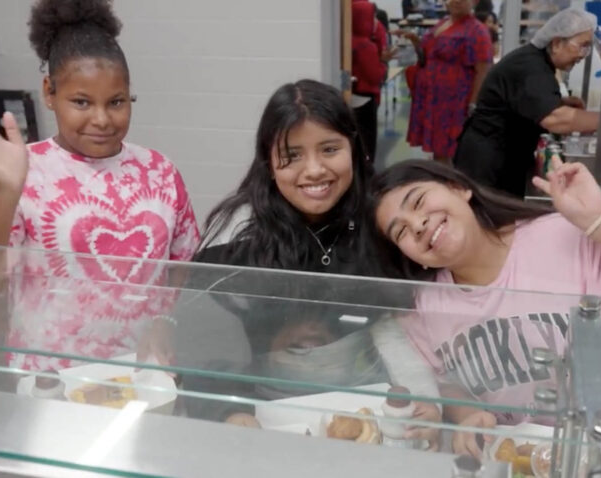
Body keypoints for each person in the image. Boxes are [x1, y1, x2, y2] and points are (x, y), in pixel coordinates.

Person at [370, 159, 601, 455]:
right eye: (400, 232)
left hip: (593, 453)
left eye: (418, 202)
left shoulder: (562, 236)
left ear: (459, 188)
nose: (418, 225)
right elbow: (449, 384)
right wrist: (468, 416)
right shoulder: (422, 303)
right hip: (509, 457)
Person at [165, 80, 442, 445]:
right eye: (292, 155)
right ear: (268, 161)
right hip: (267, 411)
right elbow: (209, 341)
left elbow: (415, 321)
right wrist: (231, 413)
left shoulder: (382, 220)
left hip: (376, 408)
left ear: (354, 148)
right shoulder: (240, 233)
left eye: (329, 149)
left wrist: (424, 400)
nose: (314, 170)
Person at [0, 0, 200, 370]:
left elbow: (183, 264)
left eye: (116, 102)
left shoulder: (160, 171)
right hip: (50, 375)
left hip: (145, 368)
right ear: (49, 92)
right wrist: (6, 189)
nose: (102, 119)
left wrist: (165, 321)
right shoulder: (18, 173)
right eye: (81, 102)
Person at [452, 8, 601, 198]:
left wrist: (560, 102)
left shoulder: (536, 61)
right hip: (488, 161)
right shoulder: (531, 68)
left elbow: (524, 101)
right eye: (582, 46)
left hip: (503, 153)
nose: (583, 56)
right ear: (557, 43)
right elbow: (557, 120)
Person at [395, 0, 493, 162]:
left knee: (451, 151)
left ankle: (447, 177)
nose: (456, 1)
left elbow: (483, 71)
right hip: (435, 100)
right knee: (438, 151)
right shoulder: (442, 23)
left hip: (454, 102)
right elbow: (428, 56)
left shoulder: (477, 30)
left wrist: (473, 105)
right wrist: (416, 41)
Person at [352, 1, 397, 166]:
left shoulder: (346, 40)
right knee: (368, 144)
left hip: (352, 94)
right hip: (366, 97)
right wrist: (383, 62)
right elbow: (375, 76)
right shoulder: (366, 46)